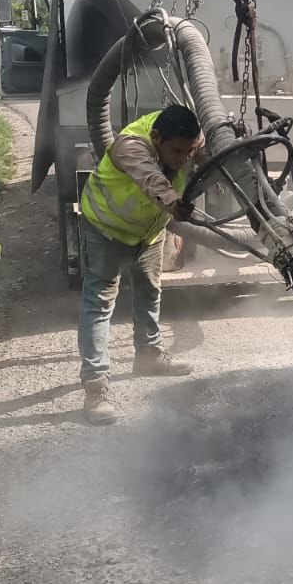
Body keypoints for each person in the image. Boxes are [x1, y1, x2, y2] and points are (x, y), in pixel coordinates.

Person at [76, 104, 205, 425]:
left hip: (148, 232)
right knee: (99, 304)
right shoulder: (130, 146)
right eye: (177, 152)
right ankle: (95, 388)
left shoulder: (190, 137)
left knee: (149, 290)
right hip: (106, 230)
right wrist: (175, 203)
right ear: (157, 137)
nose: (183, 159)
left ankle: (148, 356)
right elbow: (152, 179)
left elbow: (200, 152)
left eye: (189, 151)